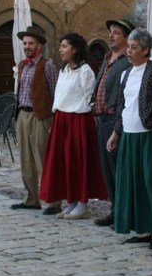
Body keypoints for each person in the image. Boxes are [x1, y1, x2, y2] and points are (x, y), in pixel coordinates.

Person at [106, 29, 152, 247]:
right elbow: (122, 106)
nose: (129, 50)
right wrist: (115, 133)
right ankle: (143, 227)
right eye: (128, 46)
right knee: (133, 182)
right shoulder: (125, 74)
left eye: (134, 47)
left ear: (146, 50)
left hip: (149, 133)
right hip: (129, 133)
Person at [40, 33, 106, 219]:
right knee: (64, 161)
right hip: (61, 119)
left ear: (75, 49)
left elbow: (89, 99)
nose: (60, 50)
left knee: (78, 161)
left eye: (64, 46)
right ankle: (71, 200)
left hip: (78, 120)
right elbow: (60, 96)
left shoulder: (85, 72)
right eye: (60, 46)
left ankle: (83, 204)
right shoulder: (64, 71)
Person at [92, 19, 135, 226]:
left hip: (116, 121)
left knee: (118, 168)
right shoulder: (108, 58)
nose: (111, 36)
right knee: (107, 169)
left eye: (116, 33)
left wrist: (117, 126)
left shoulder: (127, 61)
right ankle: (114, 208)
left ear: (126, 38)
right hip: (101, 119)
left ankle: (124, 211)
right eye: (110, 32)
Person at [11, 26, 58, 211]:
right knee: (26, 159)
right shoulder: (22, 65)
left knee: (43, 159)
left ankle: (53, 201)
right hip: (22, 114)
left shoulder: (48, 65)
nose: (27, 46)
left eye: (30, 43)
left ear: (39, 45)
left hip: (41, 116)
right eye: (25, 43)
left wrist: (53, 119)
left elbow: (55, 93)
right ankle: (32, 198)